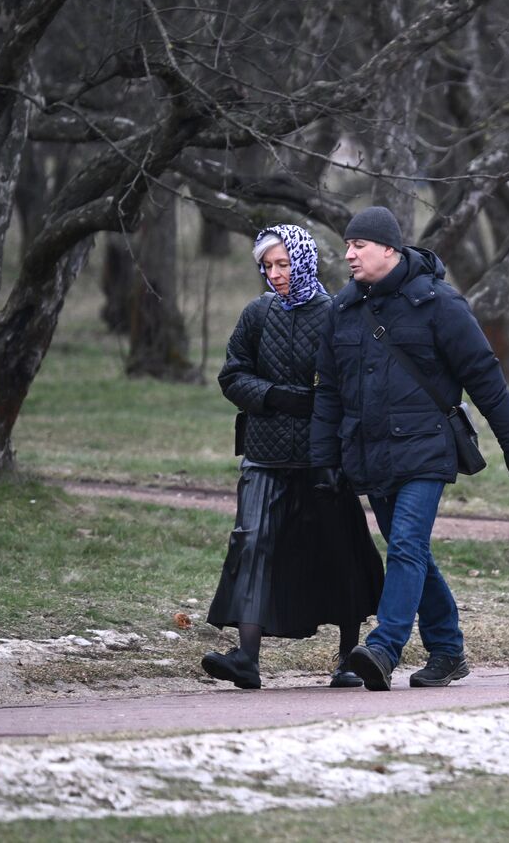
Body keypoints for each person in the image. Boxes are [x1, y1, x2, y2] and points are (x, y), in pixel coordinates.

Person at [312, 206, 509, 691]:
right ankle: (448, 650)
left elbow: (483, 375)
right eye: (347, 245)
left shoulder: (439, 304)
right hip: (370, 453)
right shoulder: (342, 310)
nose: (349, 254)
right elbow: (329, 390)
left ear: (389, 248)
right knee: (410, 551)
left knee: (407, 544)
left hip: (426, 451)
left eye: (359, 245)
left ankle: (384, 647)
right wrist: (323, 457)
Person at [204, 225, 384, 690]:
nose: (275, 274)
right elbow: (232, 375)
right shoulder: (256, 313)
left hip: (323, 457)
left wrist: (335, 434)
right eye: (267, 266)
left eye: (283, 264)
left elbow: (354, 385)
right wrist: (276, 396)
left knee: (338, 551)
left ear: (303, 260)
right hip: (263, 455)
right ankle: (246, 659)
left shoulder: (338, 313)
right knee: (252, 544)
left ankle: (347, 659)